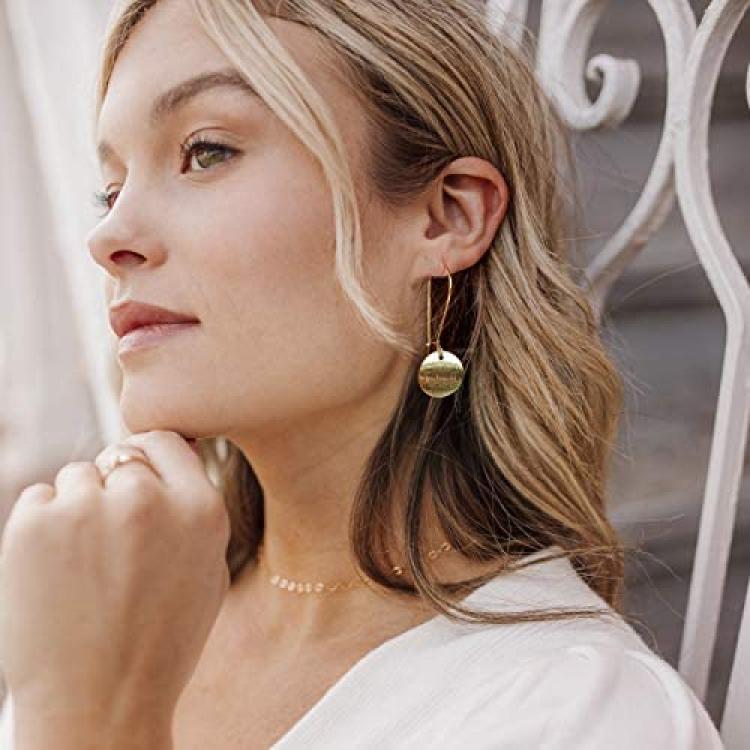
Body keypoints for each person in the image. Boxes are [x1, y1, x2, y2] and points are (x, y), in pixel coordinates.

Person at [0, 0, 725, 747]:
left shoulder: (578, 713)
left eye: (206, 152)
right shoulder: (114, 603)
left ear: (447, 217)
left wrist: (89, 719)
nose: (108, 236)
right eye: (110, 189)